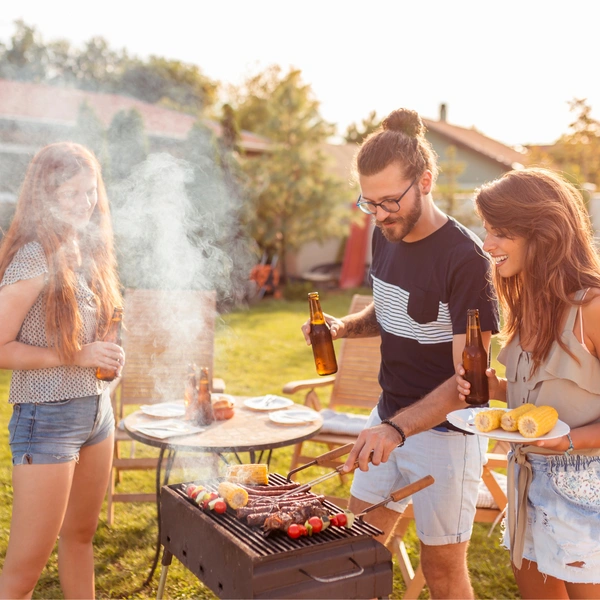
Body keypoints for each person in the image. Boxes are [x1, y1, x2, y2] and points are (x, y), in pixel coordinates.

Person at [303, 108, 499, 599]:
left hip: (447, 436)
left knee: (442, 572)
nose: (381, 214)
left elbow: (467, 386)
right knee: (359, 552)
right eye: (369, 203)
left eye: (390, 200)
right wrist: (344, 326)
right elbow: (391, 307)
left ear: (425, 181)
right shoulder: (383, 232)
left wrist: (396, 429)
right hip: (386, 419)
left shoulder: (466, 260)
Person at [456, 168, 600, 599]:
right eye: (486, 231)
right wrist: (498, 392)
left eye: (500, 232)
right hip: (527, 480)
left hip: (585, 488)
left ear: (543, 232)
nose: (487, 245)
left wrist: (570, 441)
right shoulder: (525, 309)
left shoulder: (592, 307)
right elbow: (543, 395)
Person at [0, 142, 125, 599]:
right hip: (46, 419)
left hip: (96, 414)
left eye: (89, 191)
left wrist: (108, 355)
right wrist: (78, 355)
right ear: (45, 197)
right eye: (70, 193)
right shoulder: (35, 257)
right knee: (23, 573)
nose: (83, 203)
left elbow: (94, 337)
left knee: (80, 539)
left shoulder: (88, 248)